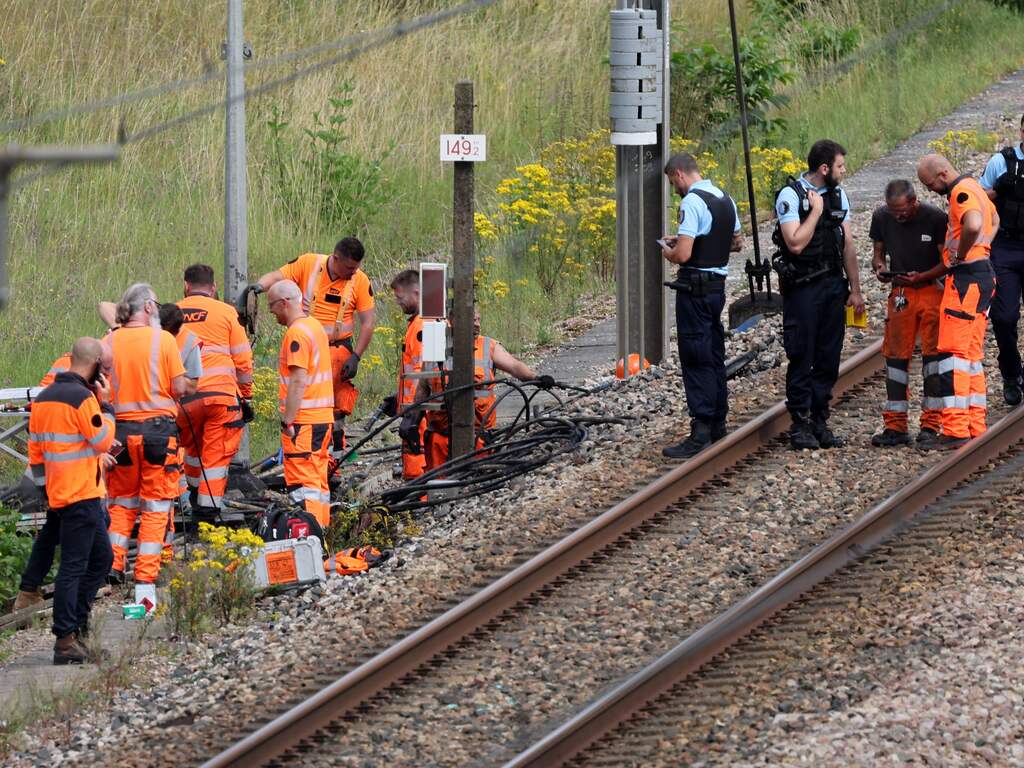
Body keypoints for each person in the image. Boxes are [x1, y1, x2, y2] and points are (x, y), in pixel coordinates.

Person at [26, 337, 116, 664]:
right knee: (75, 567)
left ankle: (76, 627)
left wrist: (46, 491)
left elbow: (35, 453)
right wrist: (106, 406)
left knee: (101, 559)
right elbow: (102, 441)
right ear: (93, 366)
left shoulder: (44, 398)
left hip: (63, 494)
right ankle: (65, 640)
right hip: (81, 495)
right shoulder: (83, 399)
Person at [772, 139, 865, 449]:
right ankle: (800, 423)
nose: (844, 170)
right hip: (803, 288)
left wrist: (855, 290)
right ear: (824, 169)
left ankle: (820, 419)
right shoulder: (792, 196)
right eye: (840, 166)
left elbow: (848, 245)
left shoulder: (839, 195)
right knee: (802, 354)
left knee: (828, 356)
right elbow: (795, 243)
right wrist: (815, 212)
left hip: (832, 286)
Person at [247, 237, 376, 455]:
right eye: (349, 267)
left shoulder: (360, 281)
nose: (353, 272)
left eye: (356, 268)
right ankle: (305, 451)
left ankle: (333, 462)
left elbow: (368, 322)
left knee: (336, 412)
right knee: (303, 404)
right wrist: (257, 288)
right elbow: (277, 277)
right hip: (309, 349)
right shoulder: (309, 264)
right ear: (335, 258)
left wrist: (356, 356)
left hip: (338, 352)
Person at [105, 284, 188, 609]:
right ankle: (145, 577)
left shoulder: (109, 341)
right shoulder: (163, 340)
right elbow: (178, 386)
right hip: (158, 433)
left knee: (122, 503)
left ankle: (111, 566)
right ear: (150, 308)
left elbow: (101, 388)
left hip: (121, 433)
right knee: (155, 506)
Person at [660, 152, 743, 459]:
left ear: (680, 174)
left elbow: (683, 255)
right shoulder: (725, 198)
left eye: (673, 182)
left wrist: (668, 250)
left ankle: (701, 428)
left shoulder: (692, 202)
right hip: (717, 288)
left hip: (694, 289)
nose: (674, 189)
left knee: (695, 356)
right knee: (713, 352)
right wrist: (691, 240)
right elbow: (736, 243)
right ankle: (719, 420)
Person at [915, 153, 998, 448]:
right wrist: (982, 248)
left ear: (941, 174)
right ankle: (975, 423)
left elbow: (974, 224)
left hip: (965, 278)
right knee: (971, 356)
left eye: (928, 184)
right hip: (983, 274)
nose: (928, 191)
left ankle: (954, 429)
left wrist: (961, 255)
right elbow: (994, 219)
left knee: (953, 356)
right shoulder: (975, 187)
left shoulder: (961, 193)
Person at [411, 308, 551, 470]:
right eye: (473, 320)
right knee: (438, 487)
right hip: (439, 439)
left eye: (478, 320)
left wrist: (535, 378)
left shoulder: (487, 346)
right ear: (453, 320)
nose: (477, 324)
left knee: (476, 482)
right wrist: (412, 421)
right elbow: (423, 388)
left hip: (478, 436)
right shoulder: (436, 345)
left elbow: (514, 366)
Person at [869, 180, 948, 447]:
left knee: (933, 358)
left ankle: (931, 424)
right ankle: (895, 425)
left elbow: (947, 262)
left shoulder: (936, 218)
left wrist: (922, 276)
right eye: (893, 211)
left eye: (902, 210)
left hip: (930, 291)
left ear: (914, 201)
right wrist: (880, 267)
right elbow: (877, 253)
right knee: (895, 358)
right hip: (901, 292)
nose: (898, 215)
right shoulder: (881, 217)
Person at [176, 264, 254, 520]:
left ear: (186, 286)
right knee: (216, 452)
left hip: (184, 399)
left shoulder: (171, 313)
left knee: (192, 449)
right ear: (214, 287)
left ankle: (193, 494)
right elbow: (243, 361)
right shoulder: (226, 313)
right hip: (220, 397)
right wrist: (246, 395)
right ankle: (208, 509)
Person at [268, 280, 334, 528]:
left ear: (284, 303)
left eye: (272, 306)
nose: (271, 312)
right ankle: (322, 534)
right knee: (318, 483)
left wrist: (288, 420)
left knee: (303, 486)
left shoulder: (296, 333)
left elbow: (298, 379)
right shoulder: (314, 326)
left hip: (304, 422)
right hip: (322, 418)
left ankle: (309, 540)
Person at [979, 113, 1024, 405]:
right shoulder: (1001, 162)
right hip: (1006, 246)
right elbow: (977, 202)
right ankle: (1011, 374)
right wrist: (999, 191)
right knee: (1004, 317)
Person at [389, 269, 427, 479]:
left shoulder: (422, 326)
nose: (398, 302)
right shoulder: (416, 325)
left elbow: (425, 372)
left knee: (418, 469)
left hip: (419, 414)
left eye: (400, 297)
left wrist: (414, 412)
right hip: (415, 410)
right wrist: (398, 399)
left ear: (416, 292)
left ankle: (420, 504)